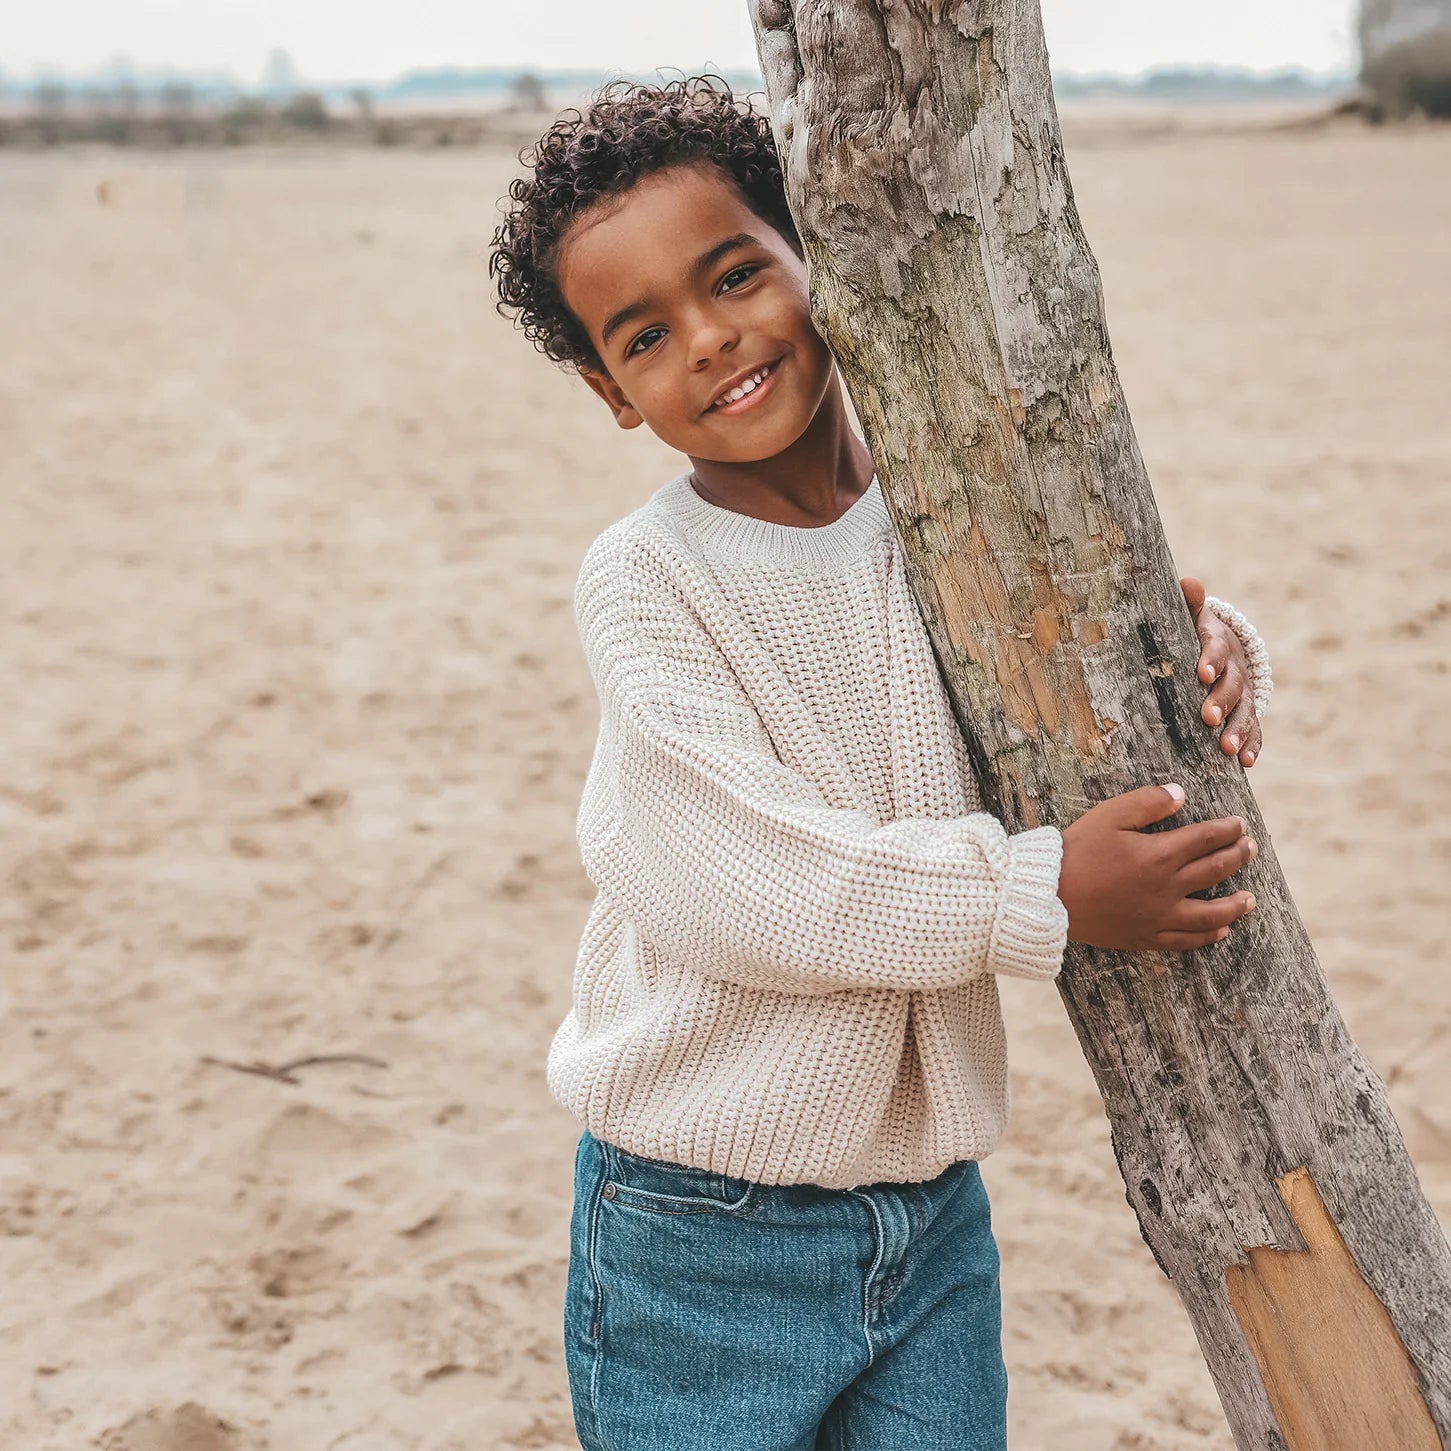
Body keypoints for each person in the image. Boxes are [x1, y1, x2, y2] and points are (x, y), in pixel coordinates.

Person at [489, 74, 1272, 1451]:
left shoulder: (947, 507)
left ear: (814, 255)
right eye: (647, 333)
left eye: (736, 273)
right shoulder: (647, 582)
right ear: (611, 391)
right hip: (693, 1226)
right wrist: (1045, 900)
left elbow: (1062, 679)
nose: (715, 337)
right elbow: (763, 885)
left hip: (928, 1215)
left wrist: (1207, 654)